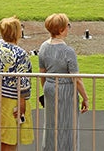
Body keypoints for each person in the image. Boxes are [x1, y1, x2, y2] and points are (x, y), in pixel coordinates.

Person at [38, 13, 89, 151]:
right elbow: (76, 79)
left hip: (49, 88)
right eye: (68, 26)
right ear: (61, 30)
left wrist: (47, 89)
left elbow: (42, 73)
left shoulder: (43, 47)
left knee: (51, 125)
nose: (69, 28)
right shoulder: (68, 51)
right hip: (66, 91)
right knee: (68, 125)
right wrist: (85, 98)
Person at [0, 16, 33, 151]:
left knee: (5, 137)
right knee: (11, 138)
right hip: (13, 99)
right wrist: (22, 102)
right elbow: (23, 81)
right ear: (16, 32)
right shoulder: (20, 53)